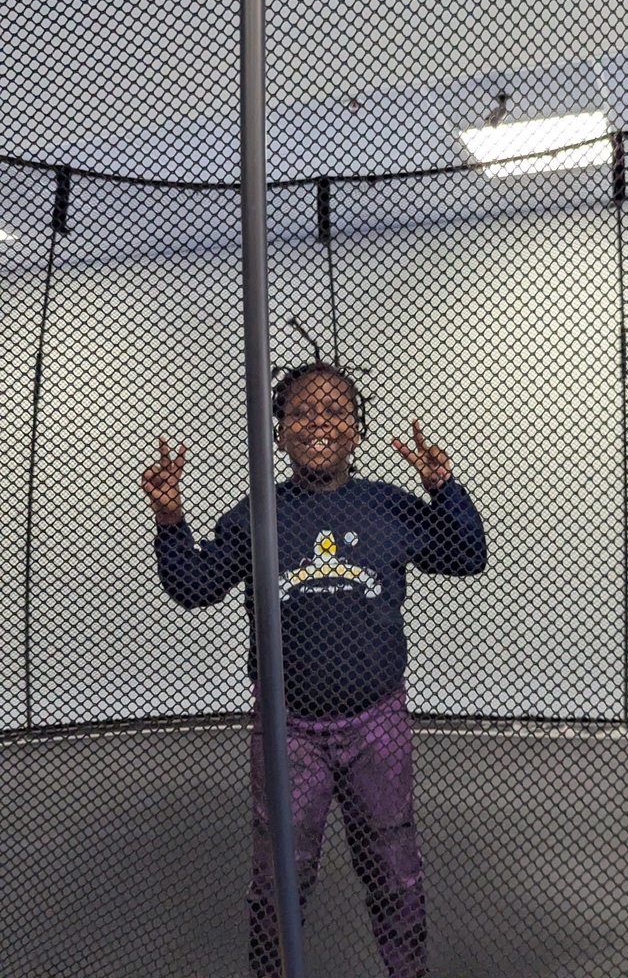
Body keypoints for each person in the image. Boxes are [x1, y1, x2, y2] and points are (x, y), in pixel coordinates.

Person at [142, 355, 487, 977]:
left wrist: (445, 488)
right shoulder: (258, 514)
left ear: (356, 428)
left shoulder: (389, 507)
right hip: (288, 731)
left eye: (335, 410)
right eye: (302, 411)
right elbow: (194, 586)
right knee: (279, 880)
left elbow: (466, 554)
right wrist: (170, 519)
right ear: (278, 429)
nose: (319, 422)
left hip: (375, 726)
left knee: (395, 870)